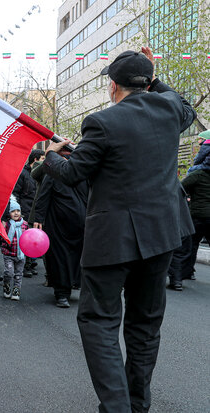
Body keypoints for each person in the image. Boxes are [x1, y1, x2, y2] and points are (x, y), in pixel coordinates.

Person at [42, 48, 196, 413]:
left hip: (113, 238)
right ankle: (138, 404)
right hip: (161, 236)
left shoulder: (102, 122)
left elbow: (72, 173)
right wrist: (152, 75)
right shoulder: (171, 111)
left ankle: (117, 407)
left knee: (99, 322)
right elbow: (185, 105)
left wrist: (49, 154)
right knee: (145, 326)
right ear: (148, 83)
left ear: (113, 86)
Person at [33, 154, 88, 308]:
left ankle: (73, 284)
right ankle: (61, 293)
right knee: (59, 259)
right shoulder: (53, 174)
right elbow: (43, 196)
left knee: (78, 258)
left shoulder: (84, 174)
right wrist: (39, 218)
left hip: (81, 226)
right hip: (58, 226)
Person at [14, 149, 44, 278]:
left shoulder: (42, 173)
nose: (45, 161)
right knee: (25, 239)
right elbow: (16, 193)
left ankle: (31, 262)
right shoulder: (23, 174)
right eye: (43, 158)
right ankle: (25, 266)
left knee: (35, 239)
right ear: (35, 160)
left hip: (36, 210)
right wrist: (17, 211)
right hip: (25, 210)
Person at [181, 155, 210, 288]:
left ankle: (187, 272)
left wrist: (189, 196)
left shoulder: (198, 174)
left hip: (198, 215)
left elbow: (181, 187)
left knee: (192, 244)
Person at [1, 198, 28, 301]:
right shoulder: (7, 224)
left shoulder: (24, 224)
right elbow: (2, 237)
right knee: (9, 272)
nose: (16, 213)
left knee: (18, 274)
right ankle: (6, 284)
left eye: (18, 211)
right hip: (9, 254)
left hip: (21, 254)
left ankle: (16, 290)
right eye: (13, 211)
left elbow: (28, 238)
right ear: (9, 213)